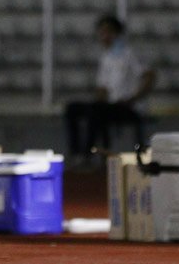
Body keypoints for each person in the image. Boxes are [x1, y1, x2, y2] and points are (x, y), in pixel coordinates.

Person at [64, 14, 155, 167]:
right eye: (102, 32)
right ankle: (77, 153)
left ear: (118, 33)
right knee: (73, 109)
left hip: (128, 107)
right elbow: (102, 88)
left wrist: (133, 99)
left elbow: (149, 76)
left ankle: (87, 155)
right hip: (109, 107)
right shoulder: (107, 57)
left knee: (97, 111)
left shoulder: (130, 54)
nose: (104, 36)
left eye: (108, 32)